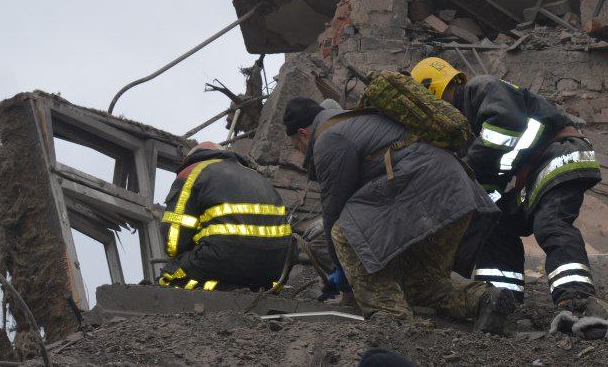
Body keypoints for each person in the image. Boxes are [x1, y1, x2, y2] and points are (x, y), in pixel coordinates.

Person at [282, 96, 514, 333]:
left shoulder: (329, 139)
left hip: (426, 192)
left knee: (345, 233)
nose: (301, 153)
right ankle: (485, 299)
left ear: (303, 133)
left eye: (296, 147)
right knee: (421, 284)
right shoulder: (356, 121)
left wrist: (339, 267)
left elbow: (335, 208)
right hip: (456, 195)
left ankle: (392, 320)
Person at [409, 58, 604, 314]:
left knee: (550, 223)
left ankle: (576, 298)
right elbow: (489, 182)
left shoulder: (482, 89)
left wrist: (463, 169)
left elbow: (505, 127)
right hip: (533, 172)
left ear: (432, 92)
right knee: (497, 224)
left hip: (559, 155)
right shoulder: (466, 125)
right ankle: (502, 299)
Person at [158, 141, 291, 292]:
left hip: (221, 262)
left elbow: (173, 241)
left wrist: (181, 257)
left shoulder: (191, 172)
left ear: (190, 159)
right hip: (274, 270)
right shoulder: (257, 177)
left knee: (170, 276)